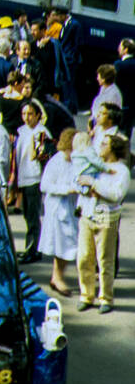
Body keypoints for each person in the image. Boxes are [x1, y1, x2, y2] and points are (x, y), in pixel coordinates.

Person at [76, 131, 131, 313]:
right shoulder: (94, 165)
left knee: (104, 259)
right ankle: (86, 295)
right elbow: (80, 182)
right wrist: (85, 189)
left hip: (106, 214)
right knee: (84, 257)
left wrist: (94, 184)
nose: (99, 146)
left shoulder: (121, 170)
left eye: (104, 144)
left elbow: (116, 195)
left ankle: (106, 298)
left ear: (113, 149)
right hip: (88, 213)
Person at [39, 129, 81, 295]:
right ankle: (57, 277)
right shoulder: (56, 162)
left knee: (68, 243)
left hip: (71, 208)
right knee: (61, 244)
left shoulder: (75, 162)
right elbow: (45, 186)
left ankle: (57, 276)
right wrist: (67, 189)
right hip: (57, 208)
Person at [11, 99, 52, 263]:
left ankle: (33, 250)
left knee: (33, 217)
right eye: (24, 114)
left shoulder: (42, 133)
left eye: (30, 114)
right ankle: (30, 247)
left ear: (37, 115)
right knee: (28, 216)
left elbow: (45, 157)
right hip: (23, 177)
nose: (26, 117)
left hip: (34, 178)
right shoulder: (21, 131)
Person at [58, 6, 85, 112]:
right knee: (66, 82)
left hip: (70, 58)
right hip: (65, 57)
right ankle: (70, 104)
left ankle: (71, 105)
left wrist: (72, 56)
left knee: (69, 82)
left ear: (63, 16)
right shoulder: (66, 25)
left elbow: (78, 43)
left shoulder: (74, 25)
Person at [91, 64, 123, 131]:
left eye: (98, 76)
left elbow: (107, 115)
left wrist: (95, 128)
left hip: (104, 127)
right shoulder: (103, 88)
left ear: (104, 79)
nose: (97, 78)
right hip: (97, 123)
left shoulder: (113, 94)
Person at [115, 38, 135, 133]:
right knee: (127, 131)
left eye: (120, 47)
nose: (118, 49)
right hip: (132, 104)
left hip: (119, 102)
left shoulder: (119, 65)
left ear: (125, 49)